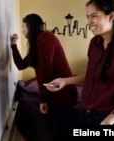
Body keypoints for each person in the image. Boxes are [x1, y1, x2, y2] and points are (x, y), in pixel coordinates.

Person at [45, 0, 114, 125]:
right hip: (85, 114)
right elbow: (93, 76)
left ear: (112, 16)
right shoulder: (94, 43)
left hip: (109, 119)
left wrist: (111, 119)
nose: (89, 22)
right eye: (88, 17)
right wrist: (65, 81)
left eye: (94, 16)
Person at [10, 13, 78, 141]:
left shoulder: (44, 38)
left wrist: (43, 100)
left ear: (30, 26)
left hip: (63, 94)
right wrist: (13, 45)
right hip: (55, 93)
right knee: (58, 132)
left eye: (23, 26)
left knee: (61, 134)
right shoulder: (38, 43)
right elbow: (20, 65)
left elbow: (46, 72)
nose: (22, 29)